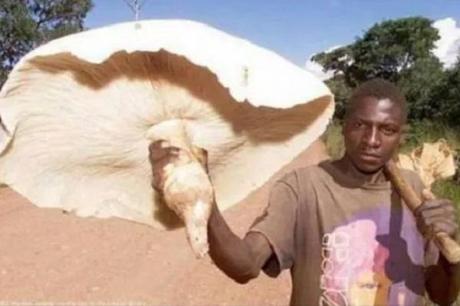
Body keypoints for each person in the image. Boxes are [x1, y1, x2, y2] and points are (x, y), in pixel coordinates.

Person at [149, 79, 460, 306]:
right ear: (344, 125)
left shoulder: (416, 190)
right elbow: (244, 265)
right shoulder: (302, 188)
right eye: (361, 126)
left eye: (387, 129)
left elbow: (444, 295)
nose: (371, 140)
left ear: (400, 136)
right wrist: (205, 199)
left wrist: (453, 249)